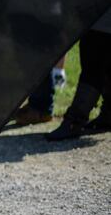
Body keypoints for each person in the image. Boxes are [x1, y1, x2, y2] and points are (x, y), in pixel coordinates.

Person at [46, 11, 111, 141]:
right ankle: (108, 116)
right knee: (104, 67)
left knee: (93, 68)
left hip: (100, 19)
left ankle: (74, 122)